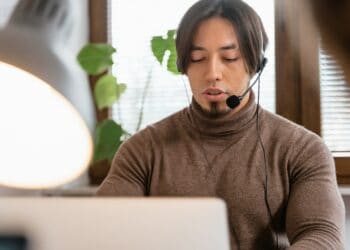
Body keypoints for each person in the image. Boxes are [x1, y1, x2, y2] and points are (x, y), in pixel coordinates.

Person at [97, 0, 345, 249]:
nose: (213, 72)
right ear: (184, 65)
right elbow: (102, 230)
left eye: (229, 57)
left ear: (255, 64)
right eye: (198, 58)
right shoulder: (141, 151)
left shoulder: (302, 149)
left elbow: (322, 235)